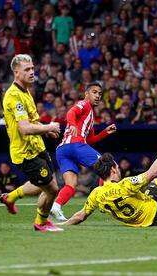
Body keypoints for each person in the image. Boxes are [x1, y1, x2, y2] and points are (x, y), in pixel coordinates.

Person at [0, 54, 63, 232]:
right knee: (51, 189)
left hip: (37, 147)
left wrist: (46, 129)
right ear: (16, 73)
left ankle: (10, 198)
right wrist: (49, 126)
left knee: (45, 185)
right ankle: (40, 222)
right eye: (27, 69)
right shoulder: (14, 96)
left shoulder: (25, 91)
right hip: (25, 152)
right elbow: (25, 128)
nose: (32, 72)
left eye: (33, 68)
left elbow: (32, 122)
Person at [50, 82, 117, 221]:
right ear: (86, 94)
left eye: (99, 93)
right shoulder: (84, 104)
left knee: (71, 184)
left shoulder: (90, 116)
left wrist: (104, 132)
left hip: (62, 151)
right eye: (94, 92)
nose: (98, 95)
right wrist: (73, 125)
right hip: (75, 145)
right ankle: (103, 201)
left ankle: (56, 207)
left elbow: (90, 140)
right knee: (108, 166)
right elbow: (71, 112)